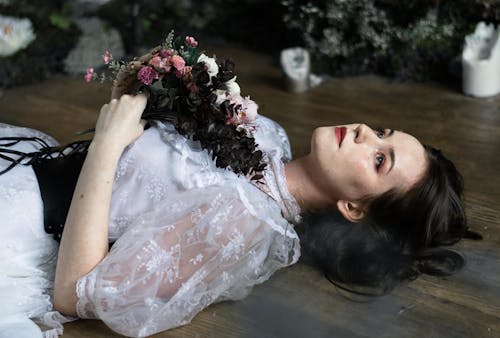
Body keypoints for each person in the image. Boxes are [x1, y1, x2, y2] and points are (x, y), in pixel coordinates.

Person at [0, 41, 477, 337]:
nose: (363, 132)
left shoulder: (241, 225)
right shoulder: (267, 136)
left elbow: (75, 294)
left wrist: (107, 143)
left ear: (353, 207)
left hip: (21, 220)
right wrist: (145, 86)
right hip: (34, 162)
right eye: (383, 131)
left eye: (379, 159)